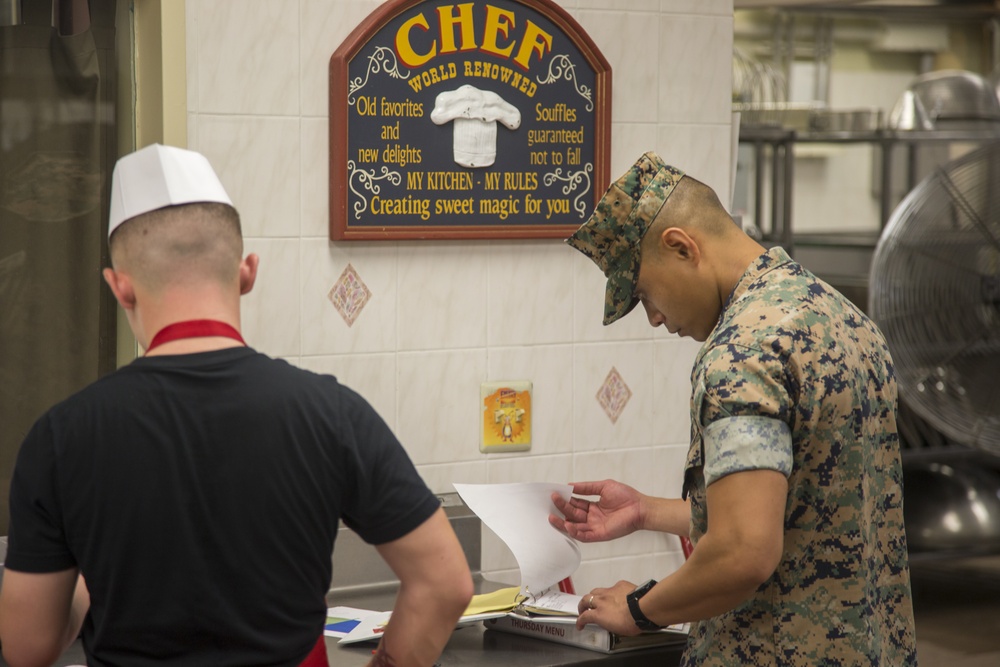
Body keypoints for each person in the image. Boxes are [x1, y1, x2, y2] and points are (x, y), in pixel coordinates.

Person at [0, 144, 474, 667]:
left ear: (120, 288)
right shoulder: (331, 413)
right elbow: (445, 584)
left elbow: (26, 647)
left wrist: (87, 579)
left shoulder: (61, 436)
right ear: (247, 272)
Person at [549, 151, 917, 666]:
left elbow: (744, 552)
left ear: (681, 247)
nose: (654, 318)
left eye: (646, 293)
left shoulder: (740, 354)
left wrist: (639, 609)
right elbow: (800, 509)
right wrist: (647, 512)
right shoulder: (845, 318)